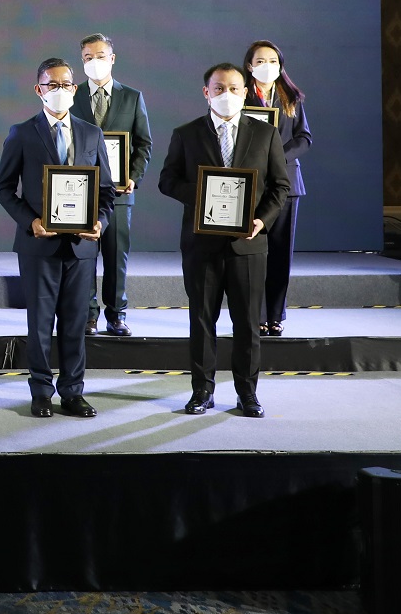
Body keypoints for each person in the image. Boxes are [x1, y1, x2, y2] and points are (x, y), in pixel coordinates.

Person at [157, 62, 290, 418]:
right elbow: (167, 180)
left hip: (248, 244)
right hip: (201, 245)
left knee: (247, 323)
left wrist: (261, 220)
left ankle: (247, 393)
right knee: (202, 321)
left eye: (233, 88)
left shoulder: (265, 134)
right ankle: (202, 391)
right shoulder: (186, 134)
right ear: (206, 92)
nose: (226, 94)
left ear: (245, 92)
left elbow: (280, 186)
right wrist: (204, 195)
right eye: (219, 88)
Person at [0, 57, 115, 419]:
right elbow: (4, 188)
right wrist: (30, 221)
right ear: (39, 90)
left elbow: (106, 192)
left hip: (82, 246)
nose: (59, 90)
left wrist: (100, 223)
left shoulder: (91, 133)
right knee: (40, 324)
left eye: (65, 84)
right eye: (52, 84)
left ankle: (73, 392)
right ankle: (41, 392)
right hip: (38, 245)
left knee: (76, 324)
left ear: (75, 89)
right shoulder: (22, 133)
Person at [70, 34, 153, 337]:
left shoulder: (132, 97)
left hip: (119, 193)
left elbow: (143, 143)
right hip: (81, 192)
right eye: (88, 57)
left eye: (100, 56)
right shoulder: (72, 95)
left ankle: (116, 315)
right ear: (82, 61)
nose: (95, 62)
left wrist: (134, 176)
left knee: (117, 257)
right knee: (85, 257)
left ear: (112, 58)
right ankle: (88, 315)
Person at [243, 40, 311, 336]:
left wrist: (277, 157)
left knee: (281, 254)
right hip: (252, 185)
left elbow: (304, 138)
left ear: (280, 65)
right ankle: (256, 315)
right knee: (254, 253)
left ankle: (275, 315)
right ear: (249, 66)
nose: (266, 66)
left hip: (286, 183)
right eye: (260, 61)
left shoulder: (291, 97)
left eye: (272, 61)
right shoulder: (240, 95)